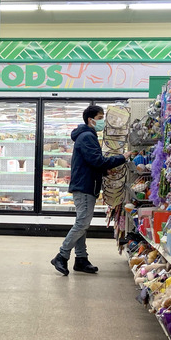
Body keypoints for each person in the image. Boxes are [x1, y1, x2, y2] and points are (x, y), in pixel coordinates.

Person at [51, 105, 126, 275]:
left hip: (86, 184)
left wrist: (104, 171)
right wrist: (122, 158)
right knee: (83, 222)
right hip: (85, 186)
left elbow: (91, 163)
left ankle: (81, 259)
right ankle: (61, 256)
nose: (102, 121)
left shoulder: (86, 135)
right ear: (90, 120)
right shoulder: (86, 137)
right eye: (100, 118)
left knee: (82, 224)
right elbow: (97, 161)